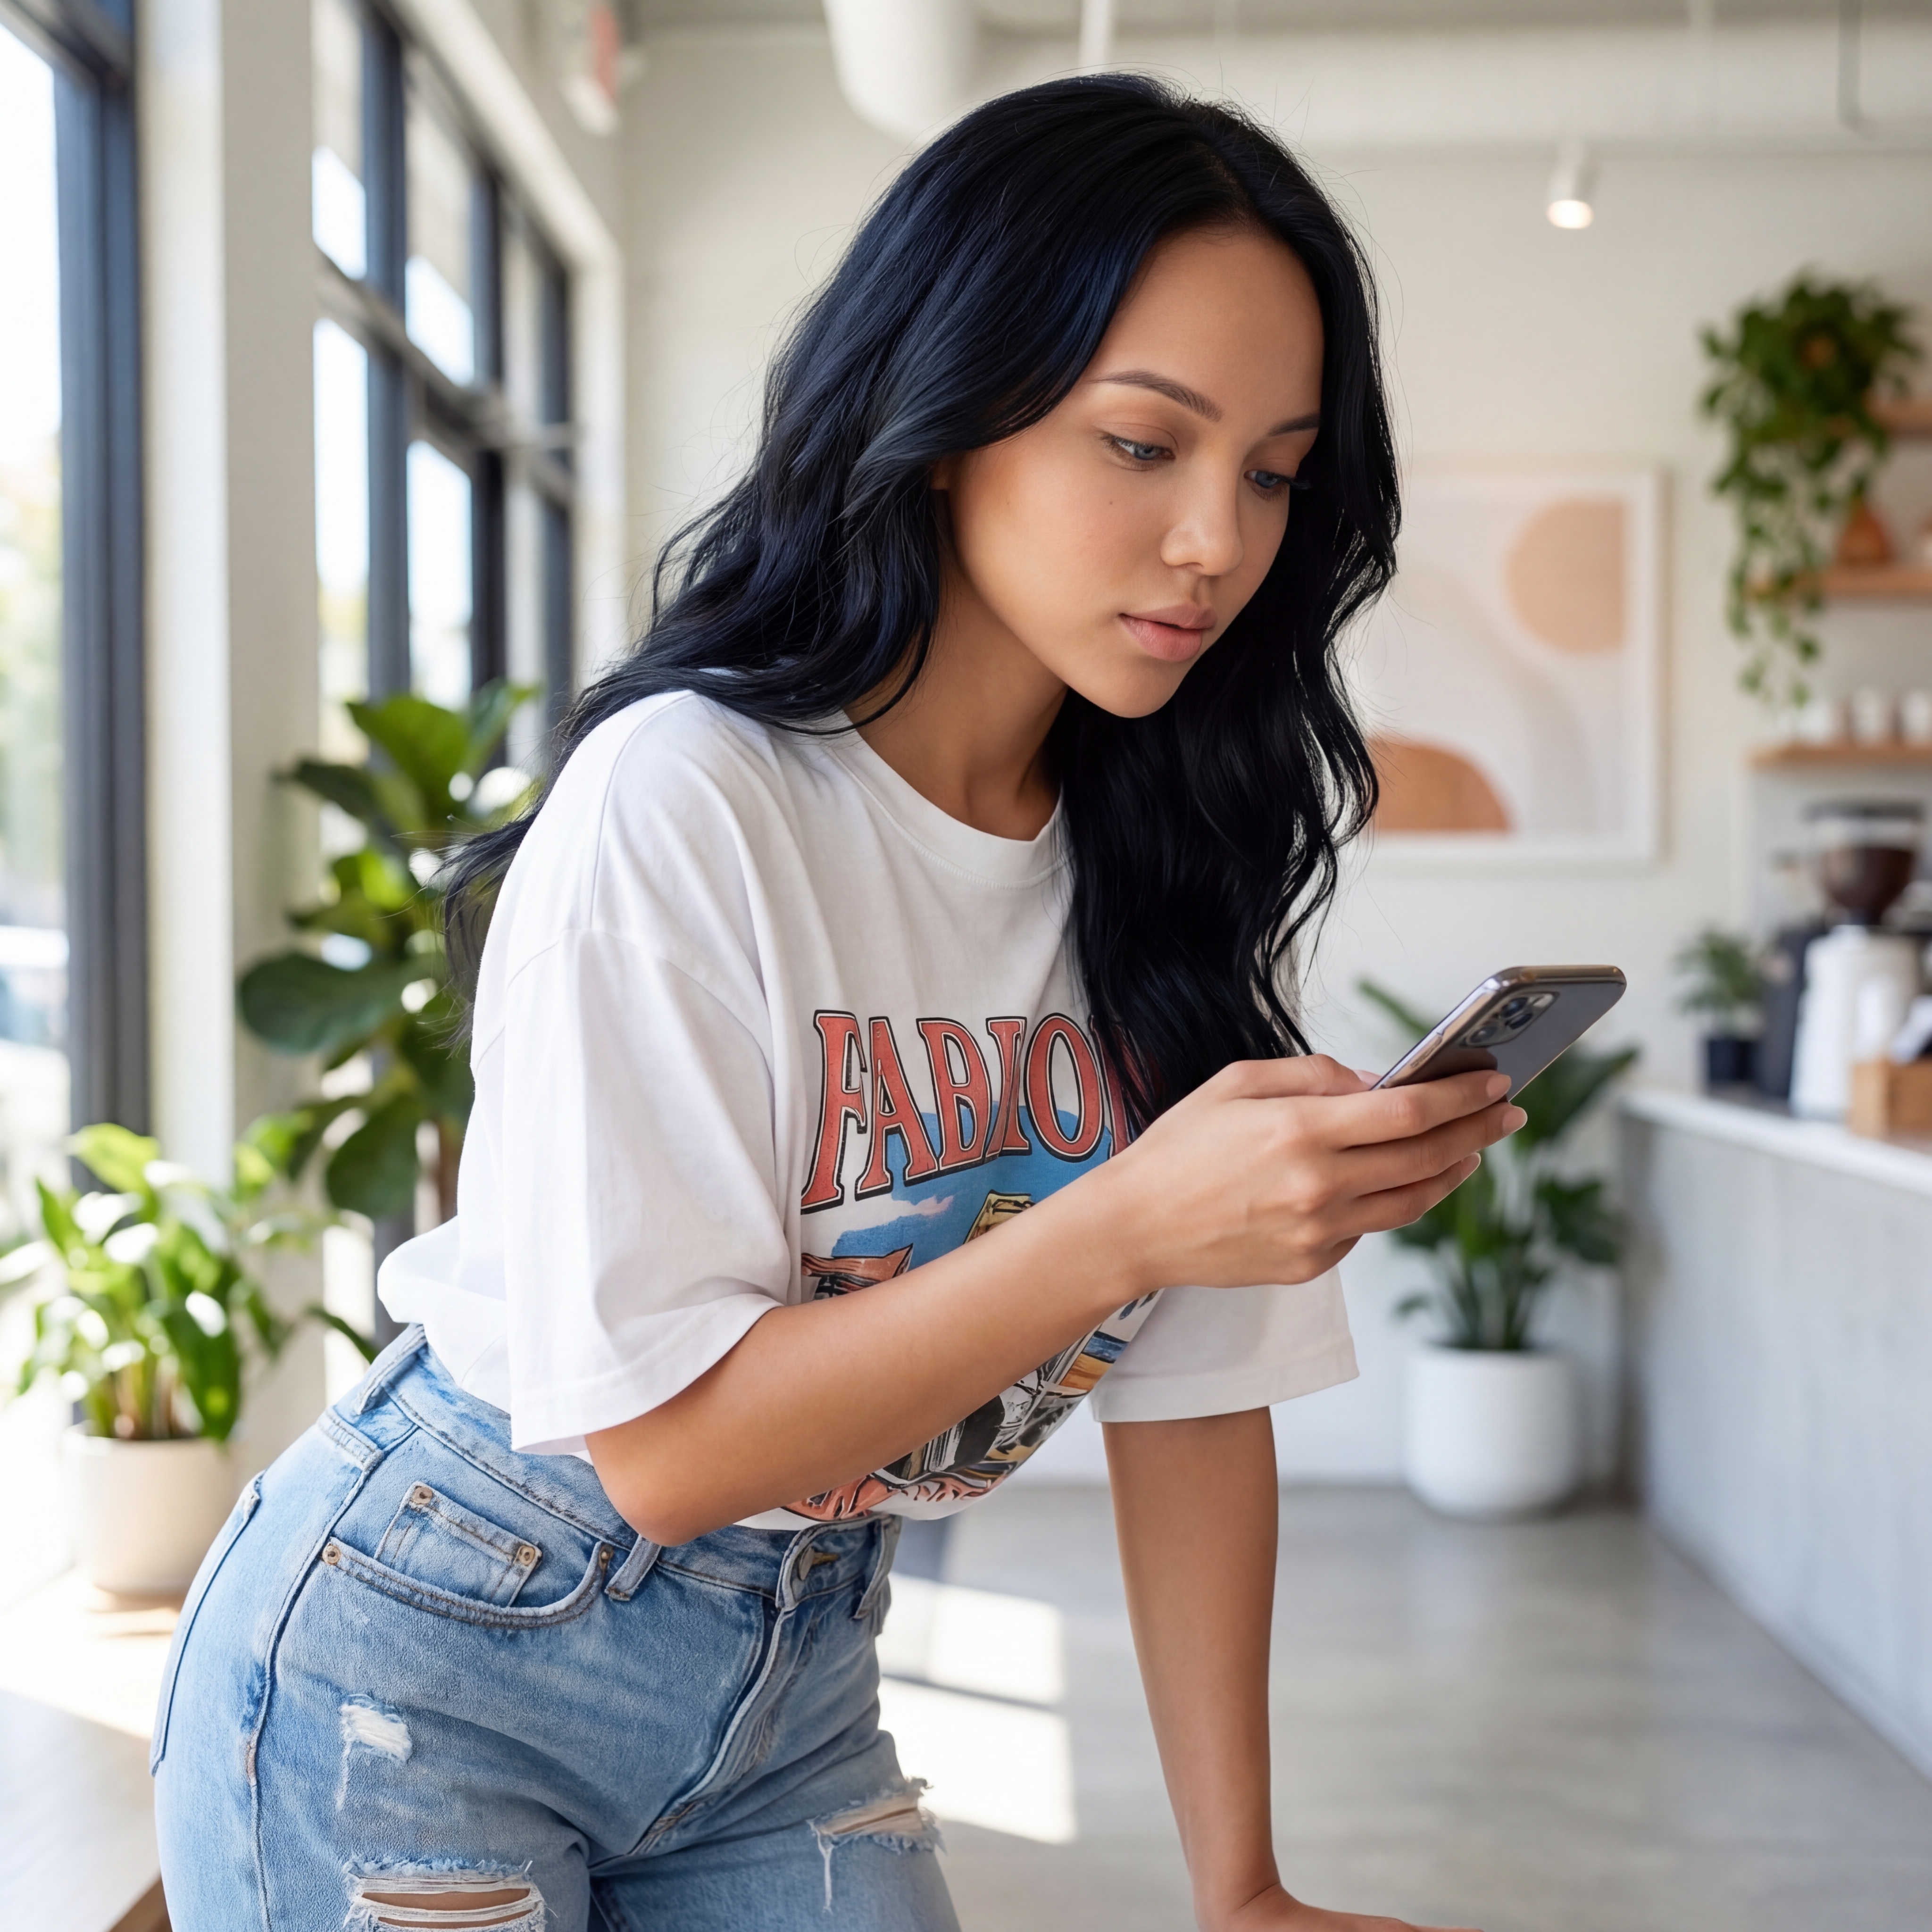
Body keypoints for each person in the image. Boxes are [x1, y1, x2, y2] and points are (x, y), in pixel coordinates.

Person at [153, 75, 1520, 1932]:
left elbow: (1194, 1397)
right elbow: (662, 1448)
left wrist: (1242, 1886)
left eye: (1273, 470)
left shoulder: (1157, 865)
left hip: (795, 1667)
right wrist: (1130, 1215)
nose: (1219, 535)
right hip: (442, 1640)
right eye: (1145, 444)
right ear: (947, 413)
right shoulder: (690, 797)